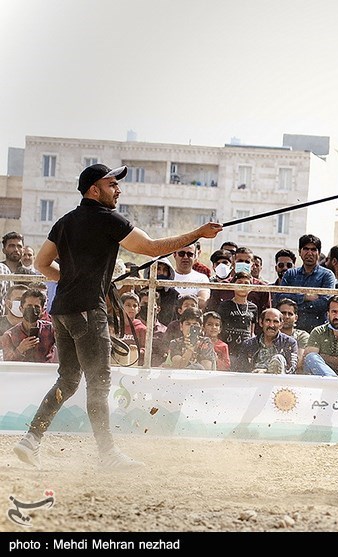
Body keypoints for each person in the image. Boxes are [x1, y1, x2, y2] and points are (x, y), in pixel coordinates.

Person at [14, 162, 222, 470]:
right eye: (112, 184)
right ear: (94, 189)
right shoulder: (107, 219)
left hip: (62, 312)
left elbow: (44, 263)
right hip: (88, 311)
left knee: (69, 379)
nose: (118, 189)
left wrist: (74, 280)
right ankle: (108, 454)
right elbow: (151, 248)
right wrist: (198, 234)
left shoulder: (65, 221)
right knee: (98, 383)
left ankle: (31, 440)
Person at [277, 234, 336, 333]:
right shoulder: (290, 274)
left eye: (313, 249)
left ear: (319, 253)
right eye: (306, 249)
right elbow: (280, 298)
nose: (309, 253)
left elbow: (325, 303)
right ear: (299, 252)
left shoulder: (327, 275)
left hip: (318, 332)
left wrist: (295, 307)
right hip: (291, 331)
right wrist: (304, 297)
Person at [206, 246, 270, 316]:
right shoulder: (223, 286)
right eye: (240, 261)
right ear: (233, 264)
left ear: (252, 266)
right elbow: (212, 312)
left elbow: (265, 315)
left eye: (247, 262)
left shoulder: (261, 287)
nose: (243, 264)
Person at [216, 271, 258, 371]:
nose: (243, 286)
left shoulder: (253, 307)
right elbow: (219, 326)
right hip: (228, 348)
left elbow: (251, 330)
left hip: (244, 350)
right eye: (239, 282)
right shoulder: (225, 305)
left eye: (246, 283)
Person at [1, 287, 56, 363]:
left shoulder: (51, 330)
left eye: (37, 307)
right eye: (29, 306)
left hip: (45, 372)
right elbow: (7, 362)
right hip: (20, 373)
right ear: (21, 309)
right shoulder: (9, 336)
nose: (32, 310)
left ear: (43, 310)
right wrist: (20, 349)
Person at [240, 308, 299, 374]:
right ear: (261, 322)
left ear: (281, 325)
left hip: (280, 381)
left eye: (275, 321)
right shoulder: (248, 344)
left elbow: (292, 368)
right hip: (254, 379)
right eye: (268, 321)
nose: (271, 325)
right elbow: (241, 369)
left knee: (278, 358)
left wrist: (266, 371)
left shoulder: (289, 343)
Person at [171, 242, 211, 310]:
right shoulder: (168, 277)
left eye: (190, 254)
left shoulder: (202, 278)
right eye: (181, 254)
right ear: (174, 255)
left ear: (195, 256)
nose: (186, 257)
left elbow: (203, 301)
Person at [275, 298, 310, 369]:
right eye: (283, 313)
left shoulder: (302, 336)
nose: (286, 317)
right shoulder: (270, 334)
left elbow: (298, 362)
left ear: (296, 318)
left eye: (290, 314)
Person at [116, 291, 147, 366]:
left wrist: (136, 350)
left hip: (133, 362)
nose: (132, 308)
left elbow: (146, 348)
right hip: (116, 359)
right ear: (121, 307)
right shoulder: (115, 325)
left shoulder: (142, 328)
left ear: (138, 309)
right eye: (128, 305)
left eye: (135, 306)